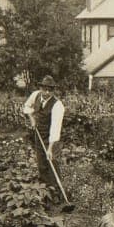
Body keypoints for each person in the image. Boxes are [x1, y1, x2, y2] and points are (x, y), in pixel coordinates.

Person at [22, 75, 66, 204]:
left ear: (53, 90)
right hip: (39, 135)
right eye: (44, 89)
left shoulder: (57, 105)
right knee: (41, 164)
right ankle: (45, 194)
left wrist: (50, 148)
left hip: (52, 139)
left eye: (50, 90)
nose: (46, 92)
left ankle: (57, 194)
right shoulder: (35, 95)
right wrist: (32, 118)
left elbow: (55, 128)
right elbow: (27, 107)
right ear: (40, 88)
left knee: (52, 164)